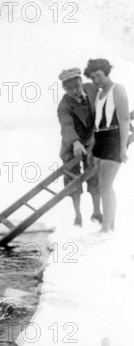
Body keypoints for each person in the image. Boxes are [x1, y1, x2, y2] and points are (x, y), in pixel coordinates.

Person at [84, 59, 130, 233]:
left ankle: (106, 229)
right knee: (102, 185)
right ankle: (109, 225)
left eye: (99, 76)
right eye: (93, 77)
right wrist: (91, 149)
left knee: (105, 186)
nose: (96, 80)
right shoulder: (99, 94)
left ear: (106, 72)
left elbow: (124, 119)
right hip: (99, 141)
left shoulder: (117, 89)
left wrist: (123, 147)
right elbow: (97, 123)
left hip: (113, 139)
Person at [57, 67, 102, 227]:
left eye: (76, 86)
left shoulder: (92, 89)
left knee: (94, 176)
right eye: (69, 89)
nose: (74, 91)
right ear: (64, 89)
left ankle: (97, 213)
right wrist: (75, 142)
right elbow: (67, 125)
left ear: (81, 82)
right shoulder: (64, 106)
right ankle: (78, 216)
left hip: (90, 142)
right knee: (73, 181)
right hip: (71, 146)